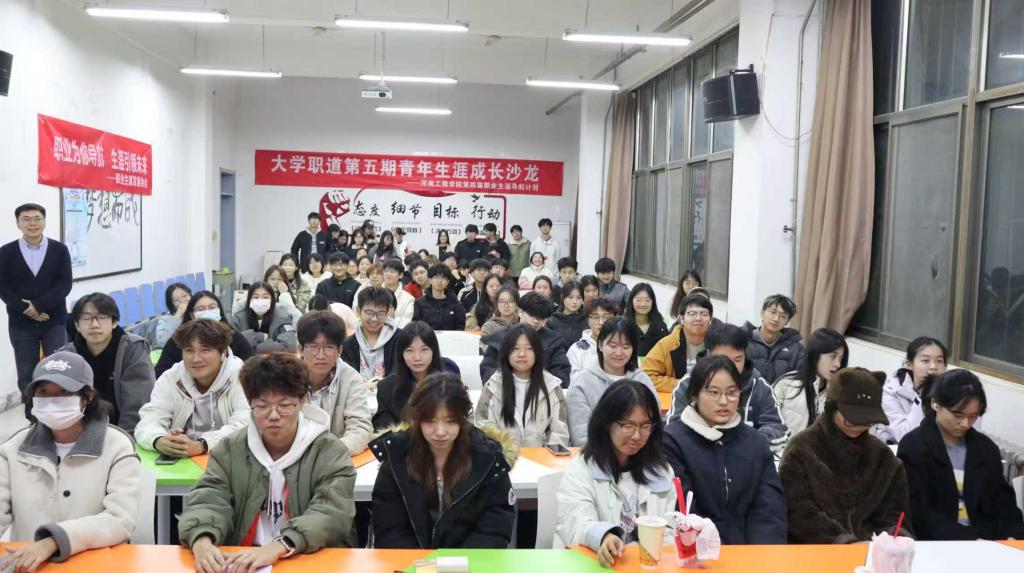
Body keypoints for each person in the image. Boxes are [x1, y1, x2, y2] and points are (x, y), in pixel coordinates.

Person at [179, 353, 358, 572]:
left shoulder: (329, 451)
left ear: (302, 401)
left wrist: (281, 545)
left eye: (285, 405)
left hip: (308, 557)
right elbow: (209, 498)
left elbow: (331, 513)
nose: (273, 415)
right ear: (249, 404)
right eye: (262, 406)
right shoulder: (230, 449)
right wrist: (202, 540)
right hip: (241, 559)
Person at [0, 352, 139, 568]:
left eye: (64, 392)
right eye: (43, 392)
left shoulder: (117, 446)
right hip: (31, 566)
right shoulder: (14, 449)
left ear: (87, 396)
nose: (52, 401)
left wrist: (53, 541)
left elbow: (120, 520)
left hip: (96, 565)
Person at [370, 373, 517, 548]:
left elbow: (495, 524)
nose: (440, 431)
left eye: (450, 421)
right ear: (417, 419)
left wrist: (457, 560)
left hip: (470, 560)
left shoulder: (487, 457)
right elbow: (388, 526)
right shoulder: (397, 455)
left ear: (463, 419)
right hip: (410, 560)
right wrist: (420, 561)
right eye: (430, 421)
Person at [662, 355, 787, 544]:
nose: (723, 401)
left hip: (748, 552)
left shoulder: (756, 443)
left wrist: (761, 555)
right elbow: (682, 509)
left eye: (732, 392)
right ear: (694, 395)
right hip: (696, 550)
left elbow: (769, 511)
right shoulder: (673, 441)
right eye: (713, 392)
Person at [780, 367, 911, 543]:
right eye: (851, 420)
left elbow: (894, 514)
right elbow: (799, 513)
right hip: (817, 550)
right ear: (831, 408)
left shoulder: (883, 457)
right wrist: (842, 541)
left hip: (874, 551)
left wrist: (896, 537)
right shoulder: (801, 450)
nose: (859, 427)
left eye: (867, 422)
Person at [556, 380, 676, 566]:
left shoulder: (661, 471)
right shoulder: (582, 468)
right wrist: (603, 536)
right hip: (593, 565)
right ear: (606, 423)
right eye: (628, 425)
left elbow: (670, 530)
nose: (637, 436)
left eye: (645, 426)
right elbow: (575, 523)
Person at [898, 369, 1024, 540]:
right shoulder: (914, 447)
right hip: (937, 543)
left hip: (986, 541)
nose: (965, 423)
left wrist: (1012, 535)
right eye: (957, 415)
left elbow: (1003, 504)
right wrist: (972, 540)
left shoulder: (985, 449)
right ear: (936, 404)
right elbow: (921, 514)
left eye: (973, 416)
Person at [135, 320, 250, 457]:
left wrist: (202, 445)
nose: (196, 359)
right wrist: (159, 439)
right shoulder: (171, 378)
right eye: (189, 350)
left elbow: (246, 424)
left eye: (205, 350)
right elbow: (149, 420)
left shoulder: (242, 377)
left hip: (231, 458)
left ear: (223, 352)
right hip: (183, 463)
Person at [668, 324, 789, 451]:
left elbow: (776, 427)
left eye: (738, 359)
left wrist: (746, 443)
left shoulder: (759, 386)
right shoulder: (688, 384)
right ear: (708, 354)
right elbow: (675, 428)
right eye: (723, 359)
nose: (731, 366)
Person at [0, 203, 73, 394]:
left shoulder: (60, 250)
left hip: (54, 321)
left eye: (37, 218)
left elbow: (65, 284)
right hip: (21, 323)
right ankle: (31, 411)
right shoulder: (6, 252)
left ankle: (59, 410)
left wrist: (39, 306)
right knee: (27, 375)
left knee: (59, 370)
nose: (32, 223)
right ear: (18, 223)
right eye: (26, 219)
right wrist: (27, 309)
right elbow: (3, 286)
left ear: (44, 221)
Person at [59, 293, 155, 432]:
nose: (94, 325)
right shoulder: (67, 355)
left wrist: (125, 437)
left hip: (126, 430)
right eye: (86, 318)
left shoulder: (133, 348)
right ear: (77, 325)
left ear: (114, 322)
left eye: (102, 317)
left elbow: (137, 403)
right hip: (82, 431)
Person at [566, 318, 658, 446]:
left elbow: (654, 425)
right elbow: (581, 435)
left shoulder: (642, 380)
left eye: (626, 346)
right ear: (600, 345)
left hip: (638, 452)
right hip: (596, 454)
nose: (619, 352)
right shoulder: (582, 383)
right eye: (613, 346)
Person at [294, 311, 374, 456]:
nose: (321, 355)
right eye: (313, 347)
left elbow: (361, 429)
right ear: (301, 349)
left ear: (339, 351)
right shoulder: (284, 378)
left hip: (333, 458)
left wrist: (326, 453)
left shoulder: (350, 379)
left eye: (329, 347)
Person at [475, 325, 569, 447]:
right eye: (515, 348)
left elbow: (559, 433)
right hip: (503, 456)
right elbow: (484, 427)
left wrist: (542, 455)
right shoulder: (493, 385)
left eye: (529, 348)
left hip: (542, 457)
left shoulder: (552, 386)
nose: (522, 354)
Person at [154, 290, 255, 378]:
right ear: (192, 315)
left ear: (219, 311)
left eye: (212, 308)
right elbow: (161, 373)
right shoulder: (180, 339)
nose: (208, 312)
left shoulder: (233, 336)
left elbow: (252, 367)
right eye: (201, 309)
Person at [480, 292, 571, 388]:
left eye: (541, 317)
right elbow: (488, 369)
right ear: (521, 311)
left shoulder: (553, 341)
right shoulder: (502, 337)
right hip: (505, 390)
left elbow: (562, 376)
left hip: (541, 391)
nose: (536, 321)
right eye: (532, 315)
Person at [772, 328, 848, 436]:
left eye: (841, 359)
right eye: (833, 356)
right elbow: (767, 422)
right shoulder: (786, 384)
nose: (838, 364)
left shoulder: (834, 396)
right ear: (815, 354)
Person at [873, 337, 949, 445]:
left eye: (939, 361)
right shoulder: (890, 390)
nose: (933, 367)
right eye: (925, 361)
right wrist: (923, 396)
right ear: (910, 364)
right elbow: (905, 436)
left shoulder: (951, 391)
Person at [642, 294, 714, 392]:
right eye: (692, 314)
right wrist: (681, 384)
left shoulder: (718, 344)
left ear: (710, 319)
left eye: (704, 314)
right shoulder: (668, 344)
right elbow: (646, 375)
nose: (698, 318)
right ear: (681, 319)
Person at [742, 294, 805, 384]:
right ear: (762, 313)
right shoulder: (742, 341)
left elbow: (800, 381)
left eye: (783, 316)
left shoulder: (796, 349)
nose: (776, 319)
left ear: (787, 321)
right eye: (772, 312)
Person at [342, 287, 399, 381]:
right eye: (369, 313)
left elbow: (398, 374)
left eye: (380, 313)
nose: (374, 319)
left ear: (387, 312)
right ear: (358, 311)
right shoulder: (348, 344)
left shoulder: (399, 339)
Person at [229, 281, 298, 353]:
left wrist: (252, 348)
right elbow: (231, 342)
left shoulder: (283, 316)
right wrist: (260, 336)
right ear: (249, 299)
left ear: (272, 300)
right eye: (256, 297)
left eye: (265, 297)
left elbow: (290, 346)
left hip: (273, 359)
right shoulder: (238, 317)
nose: (260, 301)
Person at [567, 299, 620, 379]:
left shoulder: (623, 346)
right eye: (596, 317)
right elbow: (574, 380)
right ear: (588, 321)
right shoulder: (577, 350)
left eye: (606, 317)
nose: (601, 322)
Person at [413, 264, 467, 331]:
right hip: (427, 336)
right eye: (436, 277)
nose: (439, 281)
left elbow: (460, 325)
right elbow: (416, 325)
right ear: (430, 280)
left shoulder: (455, 302)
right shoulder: (420, 303)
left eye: (443, 278)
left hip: (450, 336)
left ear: (448, 282)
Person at [625, 283, 669, 358]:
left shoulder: (661, 327)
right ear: (631, 301)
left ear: (653, 302)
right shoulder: (624, 325)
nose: (643, 304)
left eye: (647, 300)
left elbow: (666, 353)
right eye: (638, 300)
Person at [145, 282, 192, 349]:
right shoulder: (165, 320)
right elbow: (163, 342)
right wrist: (177, 316)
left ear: (190, 295)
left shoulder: (199, 311)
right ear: (172, 305)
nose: (182, 301)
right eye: (176, 300)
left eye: (184, 296)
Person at [548, 281, 588, 350]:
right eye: (570, 297)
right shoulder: (552, 322)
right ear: (562, 297)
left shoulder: (588, 320)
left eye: (578, 298)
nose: (574, 302)